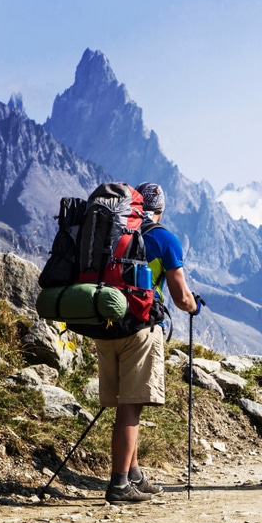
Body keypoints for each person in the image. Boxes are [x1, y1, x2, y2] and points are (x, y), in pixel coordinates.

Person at [97, 182, 202, 503]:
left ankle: (134, 474)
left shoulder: (112, 231)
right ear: (161, 209)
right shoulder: (164, 238)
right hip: (139, 329)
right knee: (131, 407)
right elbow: (181, 296)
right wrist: (194, 306)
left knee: (124, 403)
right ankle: (118, 484)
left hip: (104, 324)